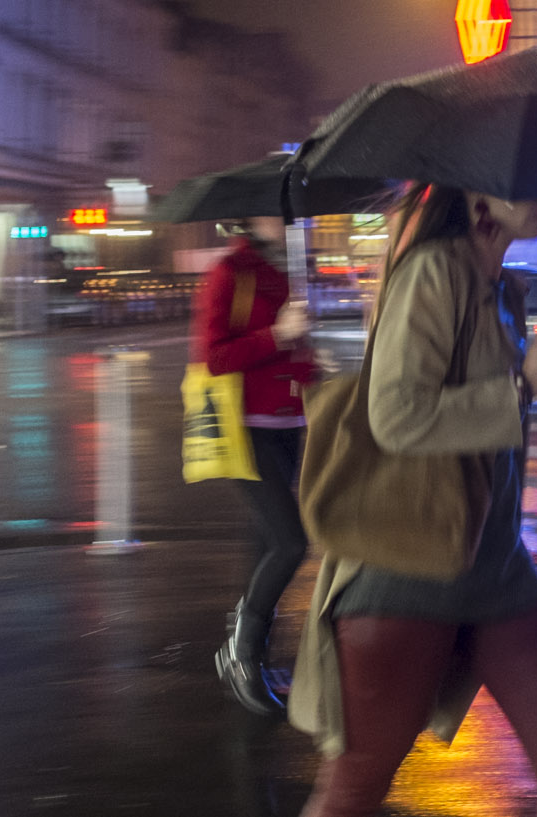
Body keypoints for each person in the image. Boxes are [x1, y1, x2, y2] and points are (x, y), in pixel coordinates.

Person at [289, 184, 537, 816]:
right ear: (478, 188)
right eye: (525, 181)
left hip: (494, 561)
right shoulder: (435, 269)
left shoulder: (501, 287)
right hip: (413, 561)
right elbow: (395, 415)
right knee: (353, 789)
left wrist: (534, 373)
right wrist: (520, 383)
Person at [191, 216, 315, 715]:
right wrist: (277, 333)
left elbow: (293, 352)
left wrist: (309, 362)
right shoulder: (230, 272)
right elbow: (214, 356)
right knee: (291, 543)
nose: (285, 222)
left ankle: (253, 658)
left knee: (264, 541)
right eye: (275, 212)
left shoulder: (292, 272)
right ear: (251, 217)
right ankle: (240, 653)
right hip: (244, 429)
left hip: (289, 423)